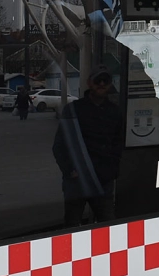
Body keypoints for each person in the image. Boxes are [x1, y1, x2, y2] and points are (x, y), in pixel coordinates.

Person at [52, 68, 124, 226]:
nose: (102, 84)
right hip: (77, 180)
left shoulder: (115, 112)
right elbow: (59, 146)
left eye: (106, 80)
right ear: (89, 83)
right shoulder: (73, 110)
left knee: (108, 226)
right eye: (98, 80)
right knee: (72, 225)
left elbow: (118, 144)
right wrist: (70, 170)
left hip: (103, 180)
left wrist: (112, 171)